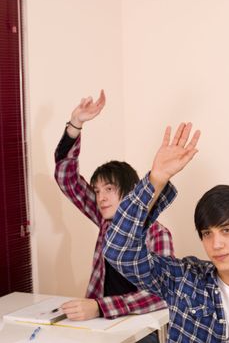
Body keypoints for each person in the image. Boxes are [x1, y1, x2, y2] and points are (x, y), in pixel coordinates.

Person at [103, 123, 229, 342]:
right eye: (207, 233)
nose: (215, 244)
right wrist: (157, 179)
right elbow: (118, 251)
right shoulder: (184, 279)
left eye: (227, 230)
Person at [54, 90, 173, 343]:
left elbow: (162, 294)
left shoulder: (156, 233)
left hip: (141, 327)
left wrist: (100, 306)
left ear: (131, 194)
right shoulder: (105, 221)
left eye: (109, 189)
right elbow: (67, 179)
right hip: (101, 324)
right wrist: (76, 124)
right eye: (97, 191)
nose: (101, 198)